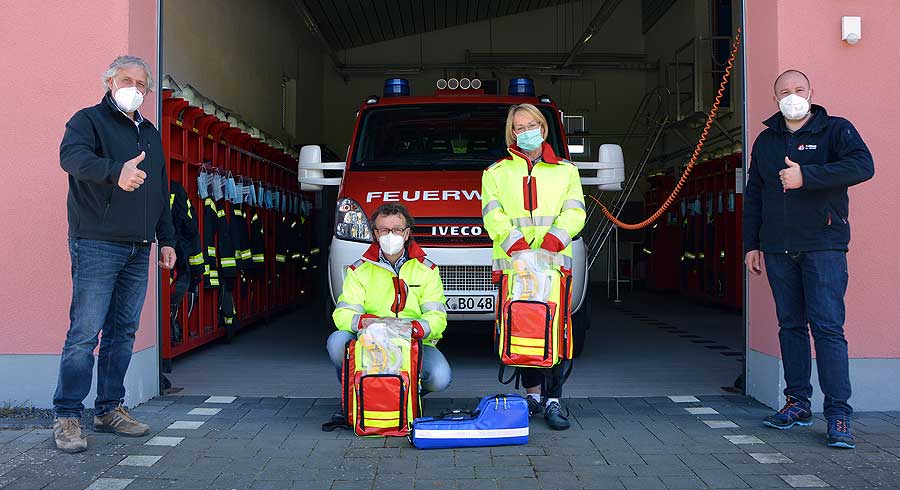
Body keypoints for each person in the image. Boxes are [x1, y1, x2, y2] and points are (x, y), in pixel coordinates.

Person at [744, 69, 874, 449]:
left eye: (798, 89)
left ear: (811, 92)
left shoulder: (836, 130)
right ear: (775, 99)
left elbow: (863, 166)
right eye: (784, 91)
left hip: (824, 245)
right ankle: (797, 403)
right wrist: (752, 244)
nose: (792, 96)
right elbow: (754, 195)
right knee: (791, 327)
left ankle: (838, 415)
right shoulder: (766, 141)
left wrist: (809, 176)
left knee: (828, 329)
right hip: (778, 248)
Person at [53, 56, 177, 453]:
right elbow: (70, 158)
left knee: (122, 333)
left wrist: (168, 238)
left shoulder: (150, 132)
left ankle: (109, 409)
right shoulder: (87, 121)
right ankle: (68, 415)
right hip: (97, 243)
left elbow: (160, 189)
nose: (135, 89)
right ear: (109, 81)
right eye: (128, 81)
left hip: (139, 246)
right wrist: (114, 171)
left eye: (143, 85)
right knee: (84, 333)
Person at [481, 103, 586, 430]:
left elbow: (575, 212)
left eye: (532, 125)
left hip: (554, 266)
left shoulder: (566, 171)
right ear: (511, 133)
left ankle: (554, 400)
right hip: (516, 268)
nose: (526, 131)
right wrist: (517, 245)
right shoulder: (496, 172)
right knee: (525, 331)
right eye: (519, 127)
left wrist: (554, 240)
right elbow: (491, 214)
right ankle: (532, 396)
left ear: (543, 127)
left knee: (555, 331)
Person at [325, 203, 451, 427]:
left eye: (396, 230)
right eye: (384, 230)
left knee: (440, 377)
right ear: (375, 233)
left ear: (407, 233)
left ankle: (402, 396)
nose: (390, 235)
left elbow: (438, 317)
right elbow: (343, 313)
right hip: (370, 342)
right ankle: (352, 399)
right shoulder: (359, 270)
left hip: (412, 344)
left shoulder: (427, 270)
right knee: (337, 342)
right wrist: (368, 324)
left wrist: (414, 328)